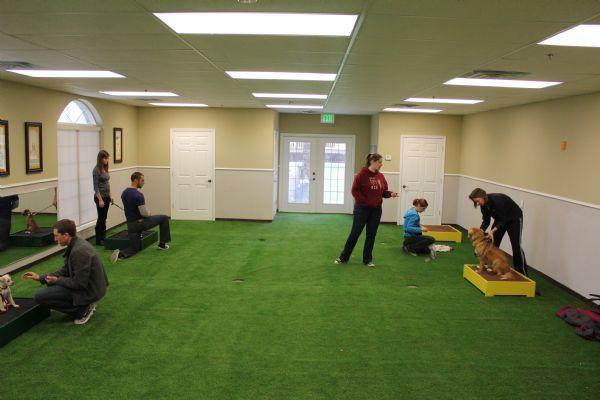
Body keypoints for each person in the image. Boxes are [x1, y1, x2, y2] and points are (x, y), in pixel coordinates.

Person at [22, 219, 109, 325]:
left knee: (39, 296)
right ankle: (83, 305)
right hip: (92, 287)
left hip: (90, 291)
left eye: (56, 235)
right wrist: (42, 278)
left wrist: (57, 280)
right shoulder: (76, 244)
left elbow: (79, 284)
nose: (55, 239)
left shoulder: (79, 251)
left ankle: (82, 311)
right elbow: (66, 270)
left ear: (66, 235)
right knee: (51, 287)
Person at [335, 153, 398, 268]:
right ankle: (343, 258)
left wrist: (390, 194)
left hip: (376, 210)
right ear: (372, 161)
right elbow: (355, 191)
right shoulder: (361, 175)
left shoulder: (381, 177)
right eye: (379, 162)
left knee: (371, 235)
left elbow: (383, 192)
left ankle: (367, 260)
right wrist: (365, 202)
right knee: (355, 233)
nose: (381, 164)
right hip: (362, 209)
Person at [111, 172, 171, 262]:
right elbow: (144, 213)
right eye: (142, 180)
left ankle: (120, 254)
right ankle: (162, 245)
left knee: (134, 249)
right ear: (136, 180)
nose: (144, 182)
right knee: (164, 218)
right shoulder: (138, 195)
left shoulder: (124, 193)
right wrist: (149, 213)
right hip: (141, 224)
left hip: (131, 226)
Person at [468, 188, 528, 276]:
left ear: (482, 197)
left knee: (516, 246)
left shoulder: (498, 200)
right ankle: (491, 265)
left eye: (477, 201)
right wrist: (480, 231)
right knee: (493, 243)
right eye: (475, 202)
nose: (477, 203)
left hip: (514, 219)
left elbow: (504, 219)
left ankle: (522, 273)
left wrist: (492, 231)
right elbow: (486, 221)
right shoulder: (483, 205)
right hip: (500, 219)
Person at [92, 150, 113, 246]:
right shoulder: (96, 170)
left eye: (107, 158)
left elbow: (107, 184)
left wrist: (111, 196)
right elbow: (96, 187)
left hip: (107, 197)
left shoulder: (105, 168)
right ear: (100, 159)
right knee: (101, 218)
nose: (106, 160)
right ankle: (99, 239)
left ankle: (103, 237)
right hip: (100, 198)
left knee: (104, 218)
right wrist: (100, 200)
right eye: (105, 158)